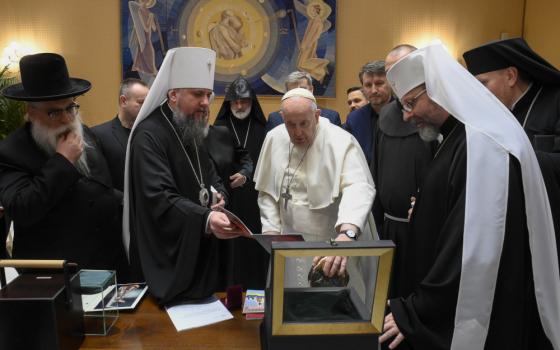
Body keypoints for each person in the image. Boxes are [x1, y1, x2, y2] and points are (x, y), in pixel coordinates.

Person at [378, 44, 560, 350]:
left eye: (411, 103)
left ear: (437, 90)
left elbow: (471, 247)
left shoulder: (481, 143)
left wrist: (417, 310)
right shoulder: (456, 133)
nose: (407, 116)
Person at [123, 47, 241, 306]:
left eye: (209, 95)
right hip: (168, 251)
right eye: (198, 94)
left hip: (199, 244)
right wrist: (206, 218)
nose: (206, 103)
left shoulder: (190, 124)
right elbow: (159, 197)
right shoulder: (149, 135)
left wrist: (218, 195)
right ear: (173, 94)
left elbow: (210, 174)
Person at [0, 53, 126, 277]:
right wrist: (63, 161)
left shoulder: (83, 133)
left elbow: (96, 187)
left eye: (70, 108)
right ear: (31, 113)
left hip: (106, 264)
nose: (67, 119)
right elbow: (22, 208)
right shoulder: (11, 152)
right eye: (54, 112)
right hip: (58, 277)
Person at [255, 88, 376, 287]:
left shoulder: (341, 141)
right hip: (288, 244)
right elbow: (266, 192)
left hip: (331, 242)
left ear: (317, 116)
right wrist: (271, 230)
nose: (298, 132)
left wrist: (347, 233)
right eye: (290, 125)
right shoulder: (274, 138)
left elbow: (358, 187)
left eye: (304, 123)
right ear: (282, 118)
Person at [463, 37, 560, 258]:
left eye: (483, 84)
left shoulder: (555, 100)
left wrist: (515, 160)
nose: (480, 94)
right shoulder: (493, 111)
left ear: (511, 76)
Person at [371, 44, 435, 301]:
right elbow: (377, 168)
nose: (396, 81)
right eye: (390, 74)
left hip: (422, 229)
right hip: (388, 226)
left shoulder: (431, 114)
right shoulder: (386, 113)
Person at [212, 77, 269, 289]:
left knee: (253, 248)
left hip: (256, 201)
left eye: (244, 101)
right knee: (230, 249)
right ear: (228, 103)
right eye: (235, 101)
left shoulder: (264, 129)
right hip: (228, 199)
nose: (239, 105)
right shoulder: (218, 128)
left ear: (252, 102)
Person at [92, 78, 149, 192]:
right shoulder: (98, 134)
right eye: (141, 102)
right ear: (123, 101)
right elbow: (98, 182)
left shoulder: (150, 135)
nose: (146, 107)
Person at [345, 60, 393, 164]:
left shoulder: (406, 114)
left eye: (379, 83)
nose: (374, 90)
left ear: (390, 83)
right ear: (363, 89)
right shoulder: (354, 119)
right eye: (368, 85)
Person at [266, 71, 341, 131]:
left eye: (303, 89)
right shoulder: (275, 118)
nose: (299, 93)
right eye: (294, 90)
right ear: (287, 93)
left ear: (311, 89)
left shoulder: (331, 117)